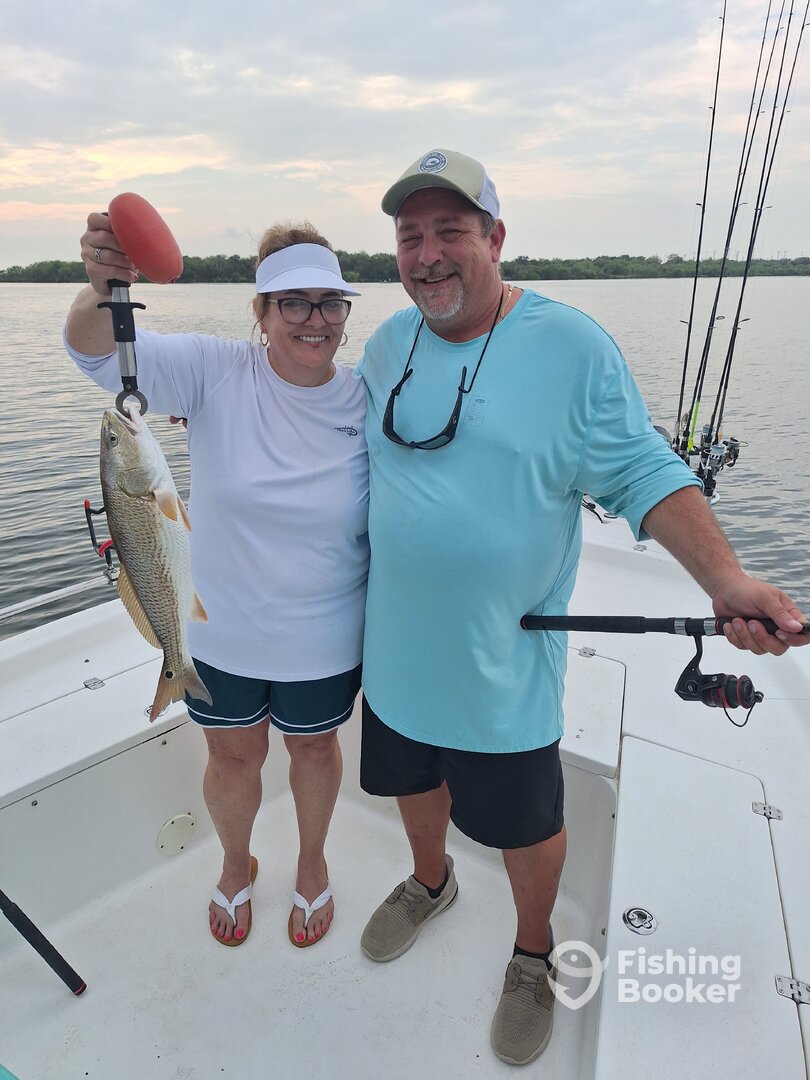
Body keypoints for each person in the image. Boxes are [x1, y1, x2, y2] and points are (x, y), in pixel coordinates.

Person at [355, 149, 809, 1065]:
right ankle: (430, 883)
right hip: (396, 650)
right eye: (410, 236)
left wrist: (725, 580)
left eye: (451, 231)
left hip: (502, 661)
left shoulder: (570, 346)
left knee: (527, 823)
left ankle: (532, 952)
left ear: (495, 238)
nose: (428, 255)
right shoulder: (384, 344)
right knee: (411, 781)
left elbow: (641, 469)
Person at [65, 217, 368, 949]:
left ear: (345, 312)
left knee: (314, 751)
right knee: (232, 756)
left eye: (329, 302)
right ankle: (236, 862)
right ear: (261, 313)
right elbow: (94, 351)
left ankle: (313, 860)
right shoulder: (214, 370)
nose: (314, 319)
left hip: (325, 635)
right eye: (291, 302)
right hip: (217, 630)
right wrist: (101, 285)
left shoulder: (367, 396)